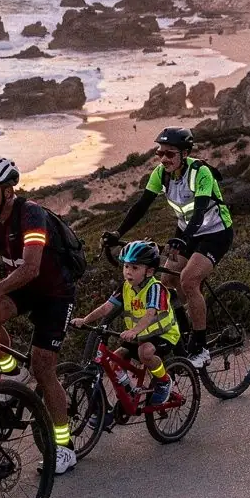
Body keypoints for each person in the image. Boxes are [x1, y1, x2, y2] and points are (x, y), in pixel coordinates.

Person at [0, 156, 77, 476]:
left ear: (8, 191)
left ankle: (64, 446)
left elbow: (31, 268)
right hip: (22, 290)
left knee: (44, 368)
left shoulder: (30, 214)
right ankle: (14, 374)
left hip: (55, 293)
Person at [103, 127, 233, 369]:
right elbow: (141, 205)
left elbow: (200, 211)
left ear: (185, 153)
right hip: (186, 231)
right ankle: (184, 330)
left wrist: (184, 239)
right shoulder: (161, 173)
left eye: (170, 154)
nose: (164, 159)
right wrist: (118, 233)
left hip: (215, 232)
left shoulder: (201, 172)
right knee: (166, 283)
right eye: (160, 153)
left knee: (189, 280)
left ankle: (201, 348)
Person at [72, 240, 179, 407]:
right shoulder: (125, 288)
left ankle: (164, 380)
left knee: (145, 353)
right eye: (126, 266)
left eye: (135, 268)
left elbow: (150, 314)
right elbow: (106, 307)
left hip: (164, 334)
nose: (128, 271)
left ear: (149, 271)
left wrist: (134, 330)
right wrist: (85, 320)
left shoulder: (155, 288)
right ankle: (130, 391)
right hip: (139, 335)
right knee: (114, 360)